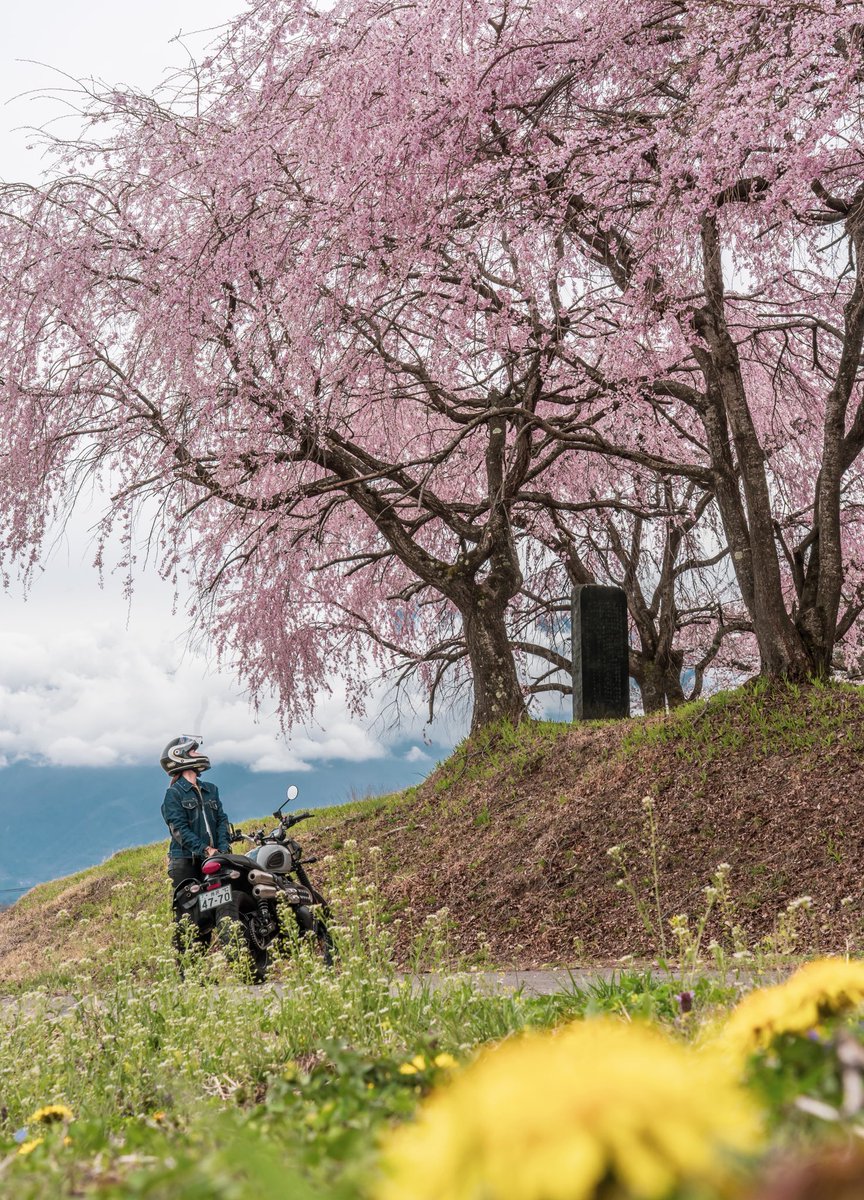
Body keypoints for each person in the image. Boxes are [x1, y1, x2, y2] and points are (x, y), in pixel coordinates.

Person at [160, 734, 231, 890]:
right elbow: (179, 830)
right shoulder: (174, 793)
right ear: (181, 756)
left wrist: (222, 850)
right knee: (190, 911)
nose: (198, 753)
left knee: (227, 903)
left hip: (215, 858)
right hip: (186, 862)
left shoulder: (211, 789)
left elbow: (222, 820)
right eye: (193, 751)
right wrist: (206, 850)